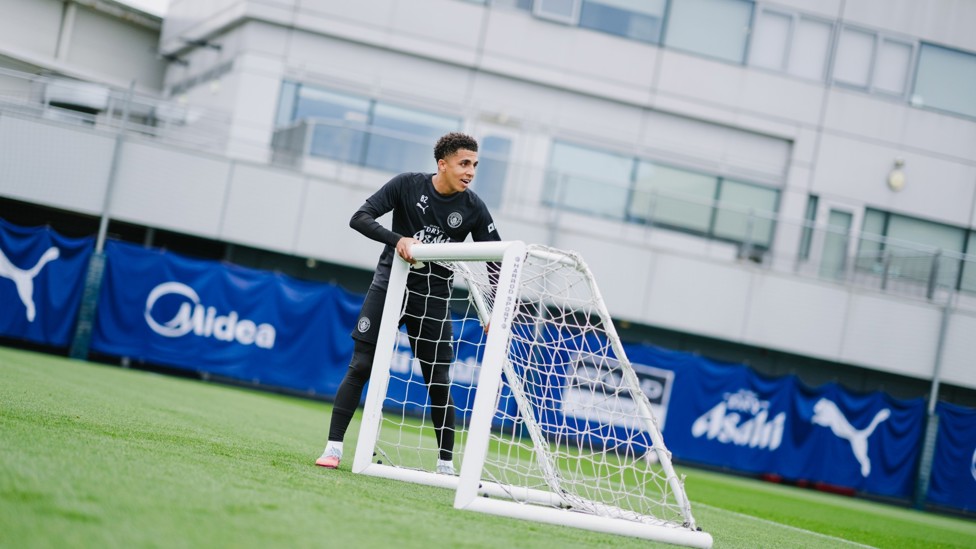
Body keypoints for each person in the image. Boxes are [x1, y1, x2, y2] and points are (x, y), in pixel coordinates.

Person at [316, 132, 501, 475]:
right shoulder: (407, 185)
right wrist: (397, 239)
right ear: (442, 164)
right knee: (361, 366)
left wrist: (495, 308)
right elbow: (360, 217)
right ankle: (333, 448)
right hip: (389, 288)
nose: (470, 171)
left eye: (475, 165)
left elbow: (496, 261)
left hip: (433, 298)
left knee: (438, 379)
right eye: (464, 163)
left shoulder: (473, 207)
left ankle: (445, 465)